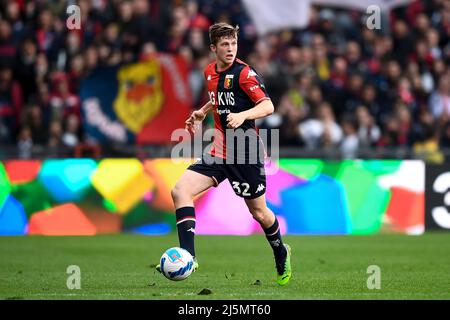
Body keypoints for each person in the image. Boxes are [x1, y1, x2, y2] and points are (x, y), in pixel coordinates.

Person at [156, 22, 292, 285]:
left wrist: (242, 115)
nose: (230, 49)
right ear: (213, 48)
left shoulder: (245, 73)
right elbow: (218, 96)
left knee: (259, 212)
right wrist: (203, 111)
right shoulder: (209, 72)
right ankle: (189, 257)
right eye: (225, 45)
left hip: (244, 152)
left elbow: (267, 105)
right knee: (180, 191)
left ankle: (280, 249)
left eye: (233, 43)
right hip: (219, 149)